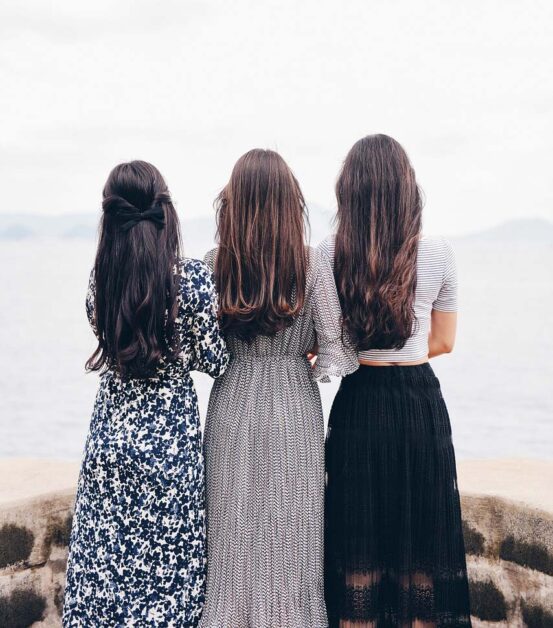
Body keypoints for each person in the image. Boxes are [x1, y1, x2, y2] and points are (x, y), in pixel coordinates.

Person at [63, 161, 229, 627]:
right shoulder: (192, 283)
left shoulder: (101, 283)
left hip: (109, 444)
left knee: (105, 586)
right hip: (170, 452)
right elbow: (216, 360)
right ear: (165, 214)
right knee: (168, 592)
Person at [199, 149, 358, 628]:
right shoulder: (309, 266)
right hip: (293, 404)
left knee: (231, 544)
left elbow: (203, 351)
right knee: (292, 543)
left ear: (234, 204)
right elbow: (338, 347)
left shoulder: (212, 264)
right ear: (292, 204)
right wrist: (304, 362)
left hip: (232, 401)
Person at [320, 135, 471, 628]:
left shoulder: (329, 253)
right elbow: (444, 342)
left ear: (350, 191)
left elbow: (324, 343)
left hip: (359, 402)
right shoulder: (439, 252)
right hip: (418, 404)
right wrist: (403, 350)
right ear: (409, 190)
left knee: (357, 559)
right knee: (421, 560)